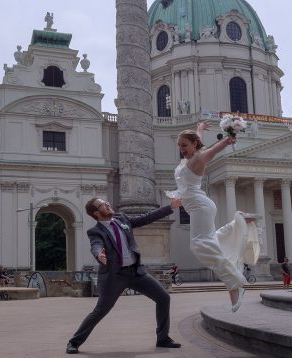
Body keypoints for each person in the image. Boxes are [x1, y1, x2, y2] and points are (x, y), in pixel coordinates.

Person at [65, 197, 183, 354]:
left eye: (107, 202)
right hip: (115, 276)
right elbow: (96, 245)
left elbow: (147, 218)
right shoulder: (95, 231)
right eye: (103, 205)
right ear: (96, 213)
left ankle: (163, 338)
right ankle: (74, 342)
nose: (107, 204)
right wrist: (98, 254)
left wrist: (170, 207)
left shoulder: (122, 219)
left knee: (163, 298)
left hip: (135, 272)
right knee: (100, 311)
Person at [169, 121, 260, 312]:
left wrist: (228, 140)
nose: (181, 149)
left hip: (200, 206)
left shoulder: (198, 158)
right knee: (212, 241)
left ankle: (234, 285)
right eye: (179, 146)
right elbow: (198, 143)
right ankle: (239, 220)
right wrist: (200, 129)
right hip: (197, 207)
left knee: (199, 245)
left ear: (193, 145)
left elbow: (213, 150)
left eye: (184, 145)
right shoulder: (192, 156)